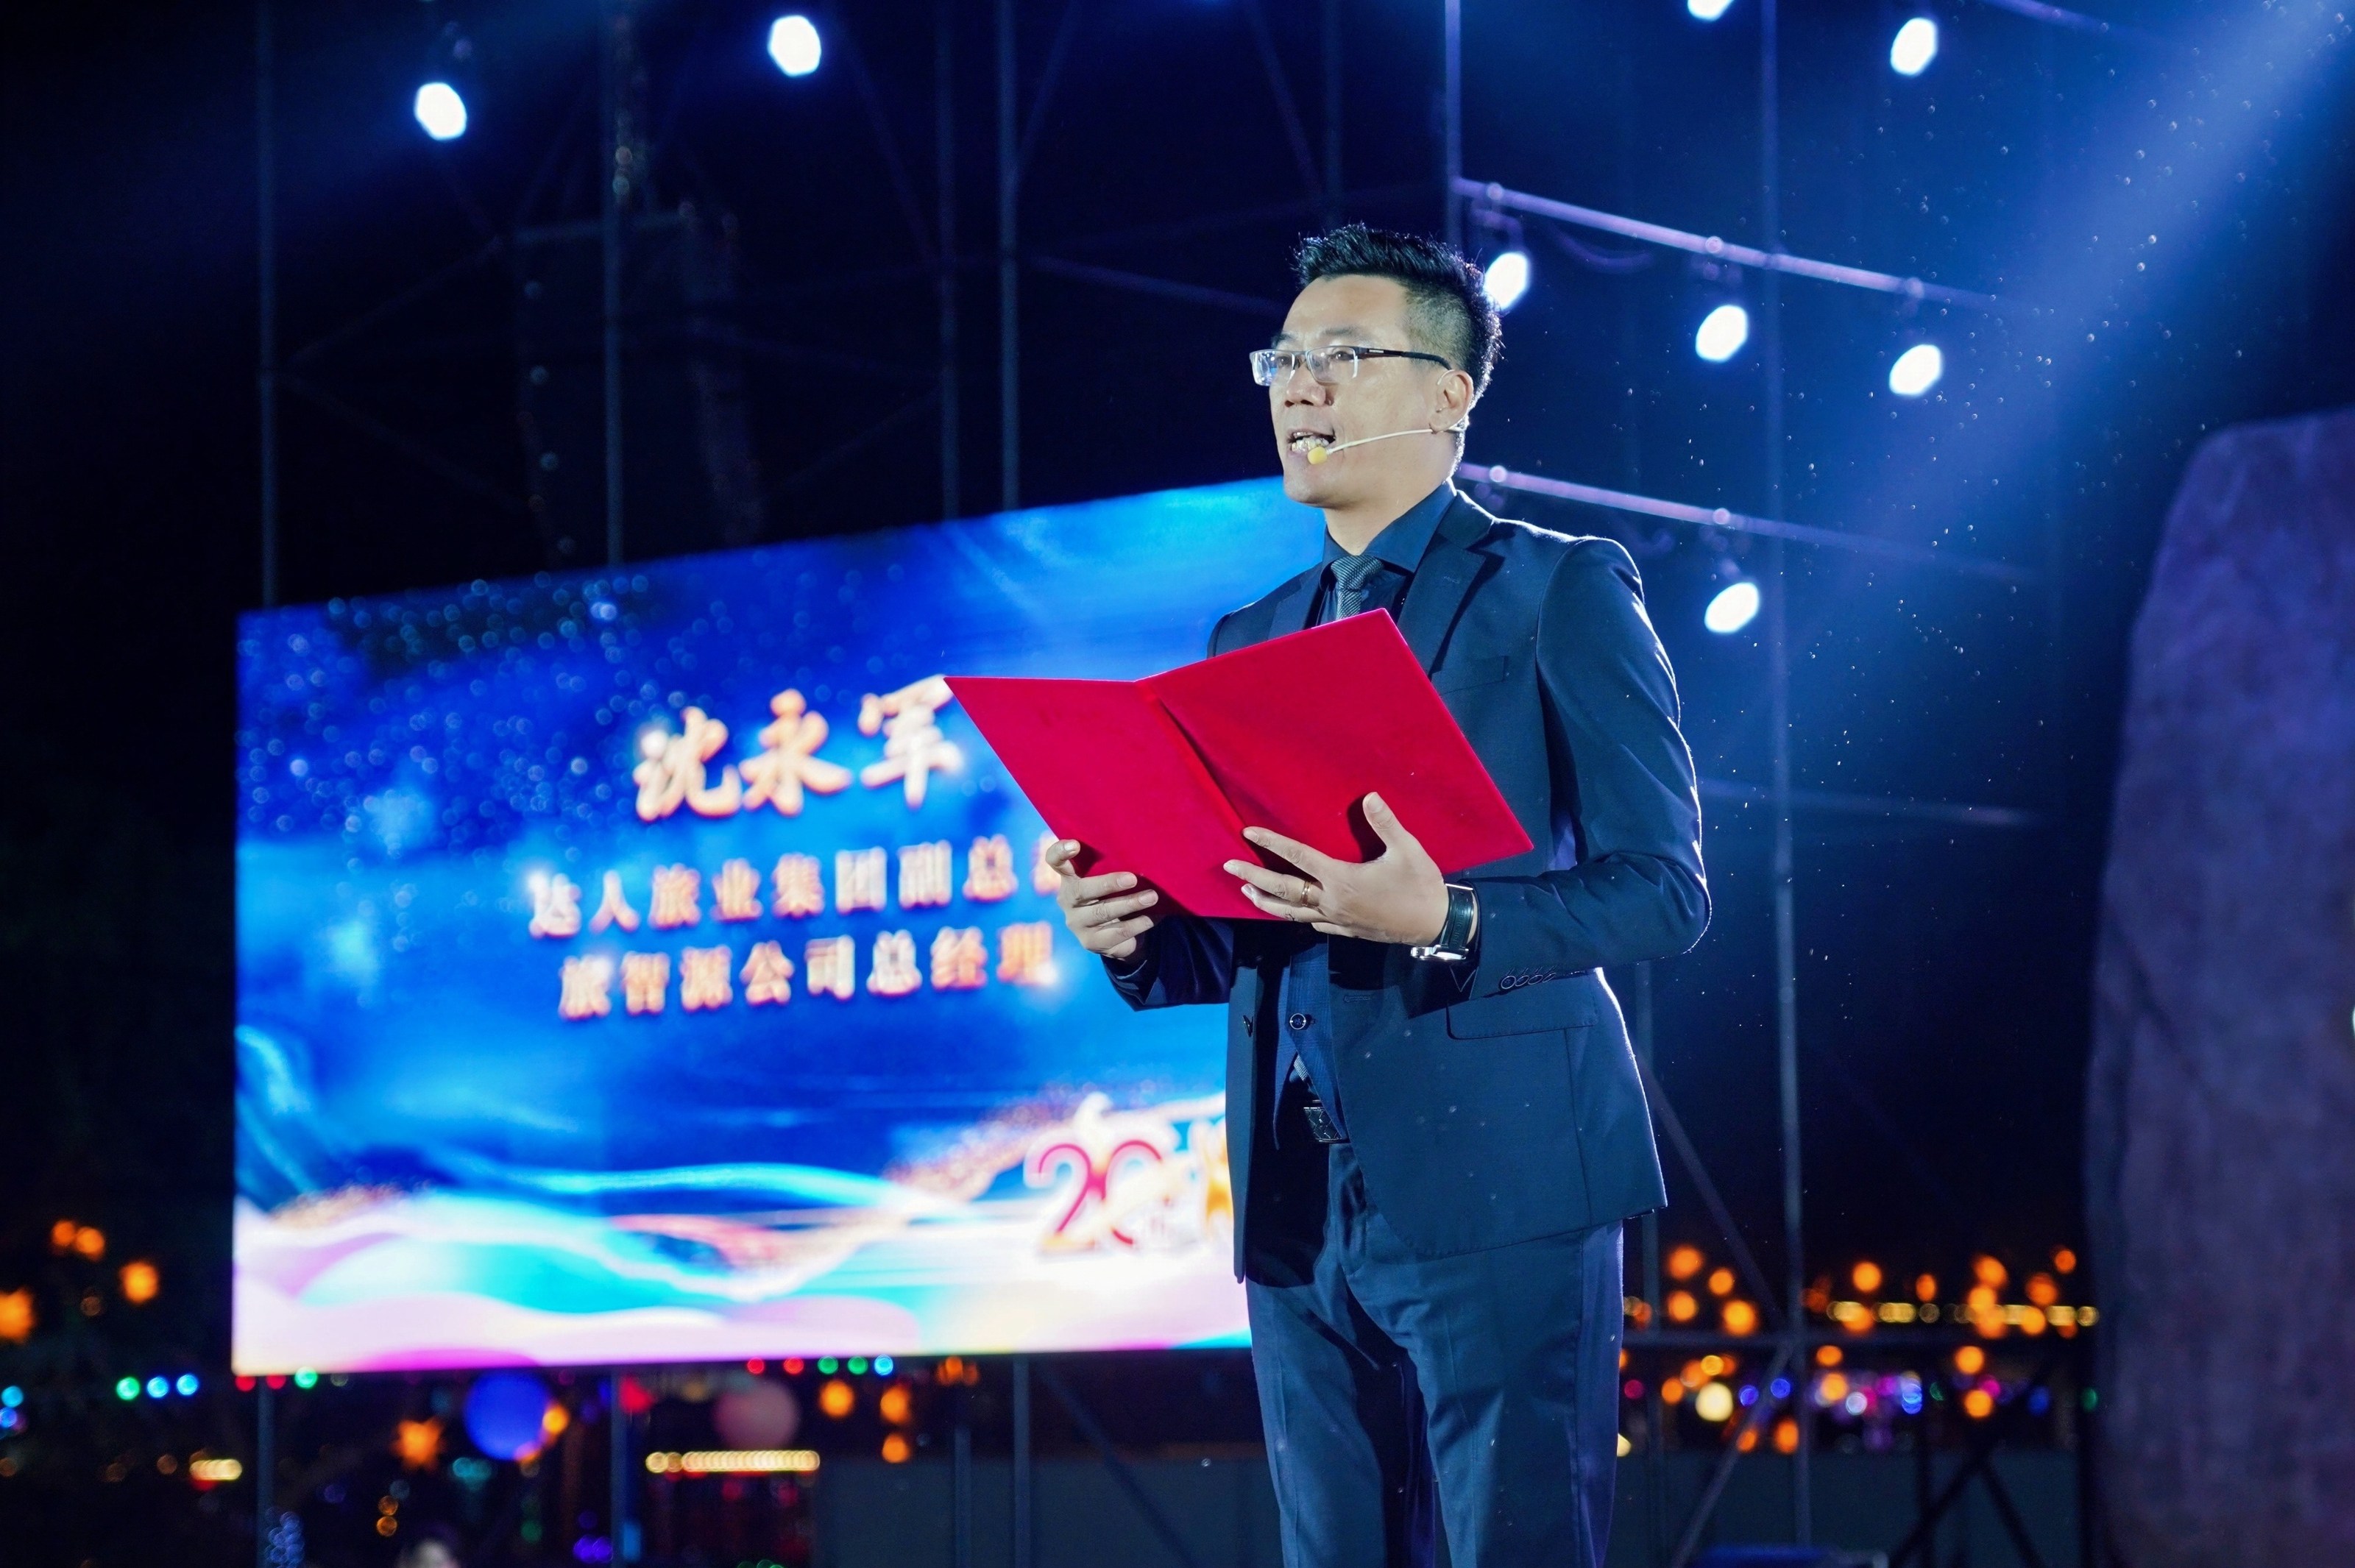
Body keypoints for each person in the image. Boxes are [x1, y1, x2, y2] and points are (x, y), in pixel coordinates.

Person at [1047, 224, 1708, 1568]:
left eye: (1342, 357)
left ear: (1449, 393)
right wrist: (1130, 929)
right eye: (1283, 362)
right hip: (1295, 1190)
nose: (1300, 389)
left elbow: (1663, 893)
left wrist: (1448, 918)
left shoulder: (1556, 587)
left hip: (1506, 1178)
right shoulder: (1249, 633)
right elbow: (1247, 925)